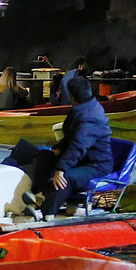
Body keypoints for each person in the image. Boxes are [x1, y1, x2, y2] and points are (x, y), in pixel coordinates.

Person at [28, 75, 113, 216]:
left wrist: (61, 169)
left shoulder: (91, 116)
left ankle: (46, 214)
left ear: (73, 96)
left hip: (97, 164)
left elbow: (78, 146)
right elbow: (70, 137)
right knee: (43, 157)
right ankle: (39, 195)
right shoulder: (80, 109)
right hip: (81, 159)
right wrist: (58, 148)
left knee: (64, 178)